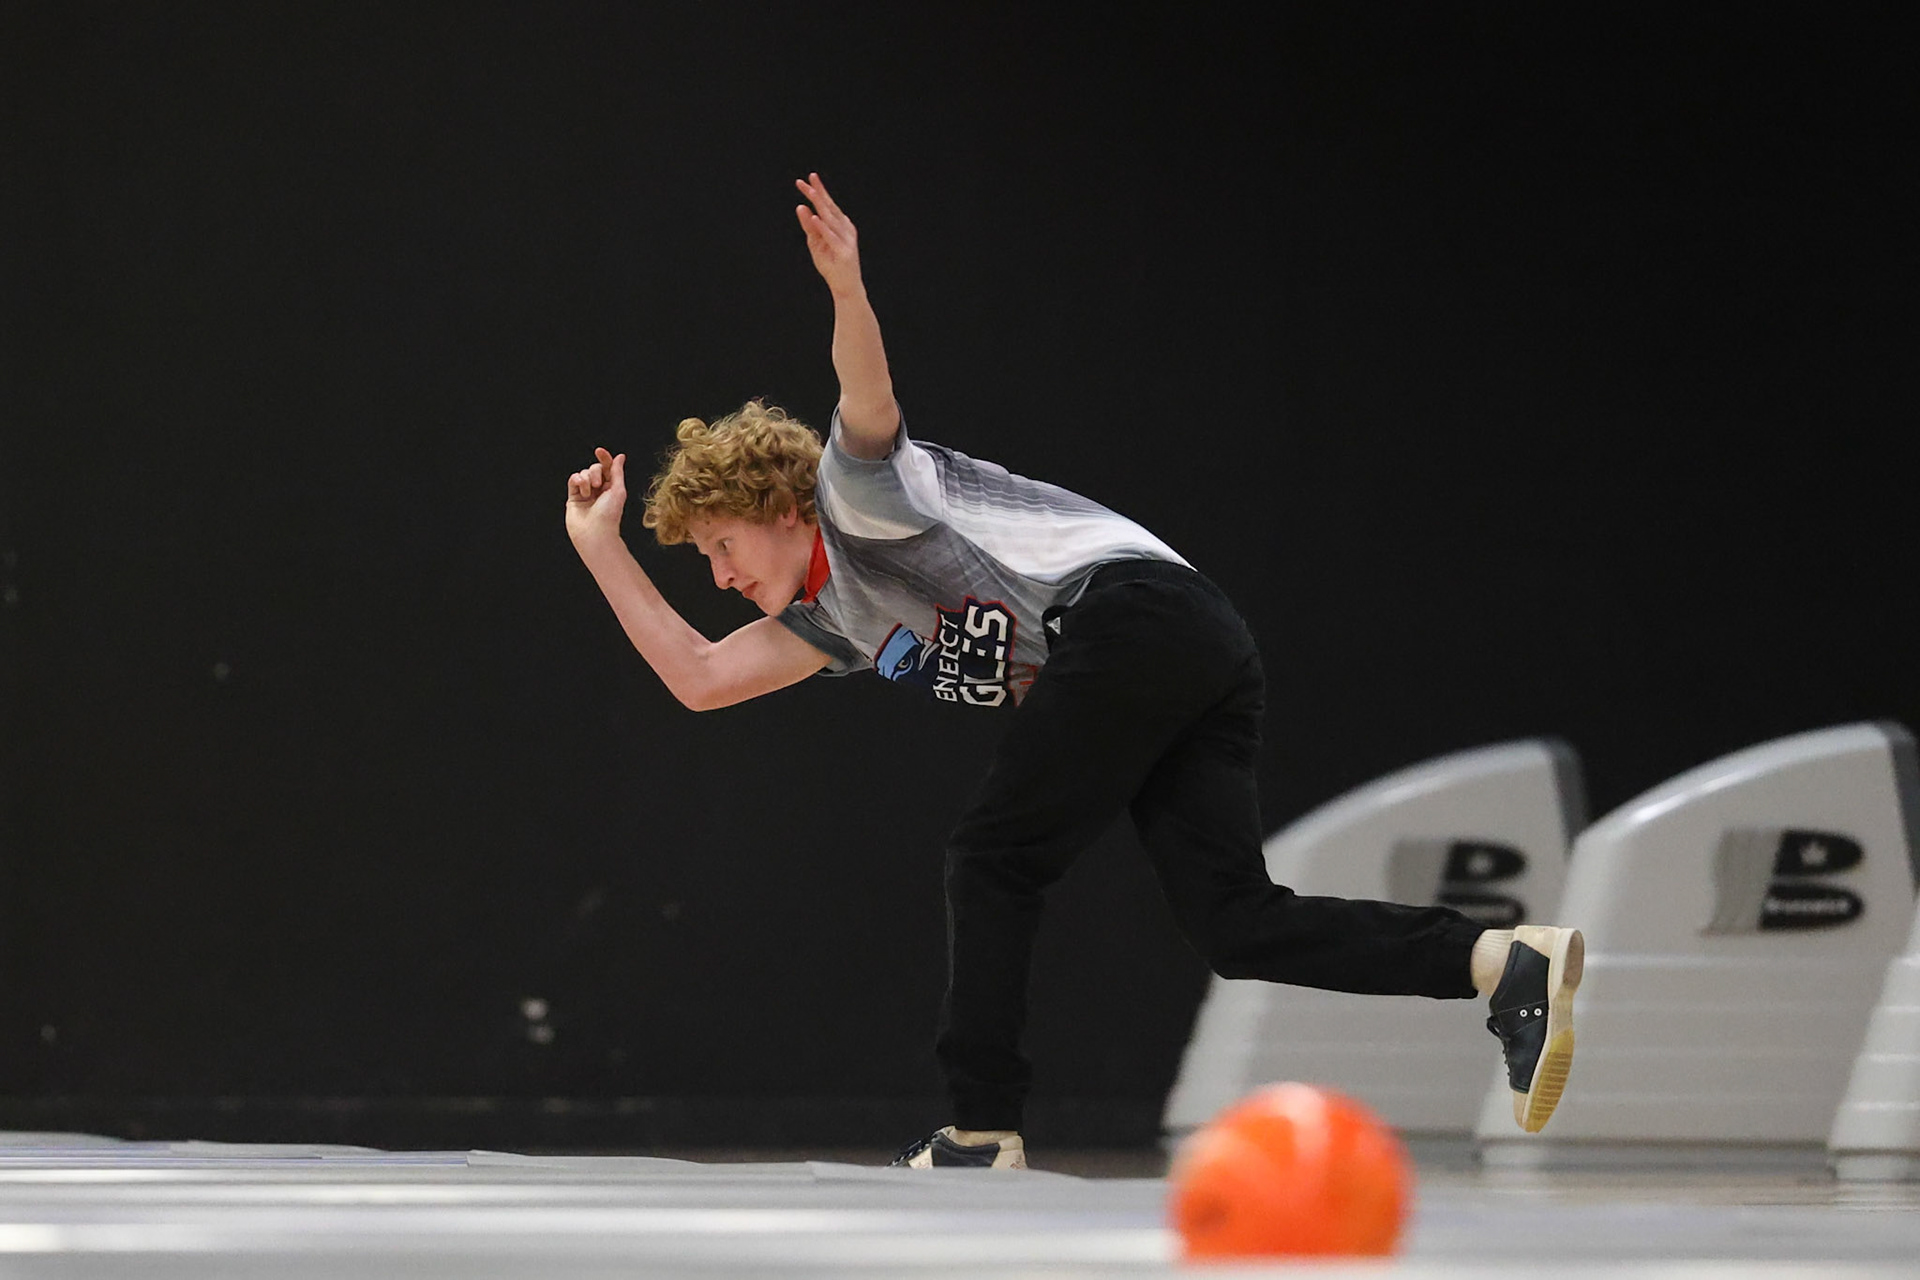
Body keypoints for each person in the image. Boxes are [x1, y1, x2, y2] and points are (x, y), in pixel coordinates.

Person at [564, 173, 1583, 1169]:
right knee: (1235, 922)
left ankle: (982, 1125)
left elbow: (864, 393)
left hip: (1135, 617)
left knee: (991, 855)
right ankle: (1498, 961)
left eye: (721, 543)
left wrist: (846, 286)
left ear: (782, 506)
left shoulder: (856, 496)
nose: (723, 573)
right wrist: (597, 544)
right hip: (1197, 642)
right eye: (705, 562)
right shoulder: (832, 619)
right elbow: (698, 677)